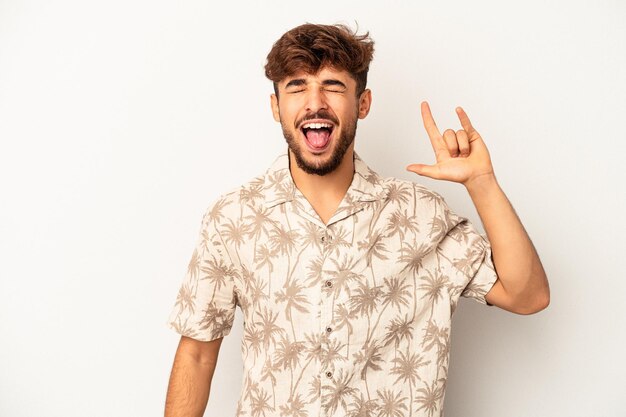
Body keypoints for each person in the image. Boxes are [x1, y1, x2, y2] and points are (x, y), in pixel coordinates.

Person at [164, 23, 550, 417]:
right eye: (297, 87)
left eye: (332, 85)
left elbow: (527, 295)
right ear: (276, 106)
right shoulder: (234, 217)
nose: (315, 103)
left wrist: (482, 183)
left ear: (363, 104)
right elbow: (196, 353)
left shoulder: (421, 216)